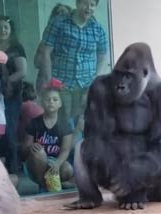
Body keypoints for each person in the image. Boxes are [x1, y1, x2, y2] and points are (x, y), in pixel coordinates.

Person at [38, 0, 108, 139]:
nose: (88, 8)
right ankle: (64, 158)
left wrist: (94, 82)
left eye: (92, 5)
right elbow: (45, 51)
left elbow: (103, 57)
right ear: (77, 3)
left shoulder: (97, 29)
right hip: (61, 84)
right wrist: (49, 82)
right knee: (62, 125)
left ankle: (79, 157)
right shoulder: (59, 23)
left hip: (86, 85)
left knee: (85, 124)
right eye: (85, 3)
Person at [22, 79, 74, 191]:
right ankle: (43, 186)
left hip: (55, 162)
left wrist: (57, 163)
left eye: (55, 99)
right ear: (41, 102)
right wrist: (31, 147)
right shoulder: (34, 122)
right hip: (36, 164)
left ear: (60, 103)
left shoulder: (65, 124)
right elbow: (25, 147)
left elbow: (65, 150)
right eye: (47, 99)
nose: (51, 102)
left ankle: (54, 183)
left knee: (68, 169)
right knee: (39, 153)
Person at [0, 15, 27, 177]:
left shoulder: (16, 47)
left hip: (10, 96)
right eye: (0, 27)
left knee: (9, 131)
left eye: (6, 27)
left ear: (11, 29)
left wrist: (5, 82)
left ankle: (13, 169)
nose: (3, 30)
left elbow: (22, 71)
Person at [34, 3, 72, 91]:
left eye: (64, 14)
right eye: (58, 13)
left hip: (66, 82)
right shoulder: (47, 37)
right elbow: (36, 62)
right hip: (46, 80)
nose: (60, 17)